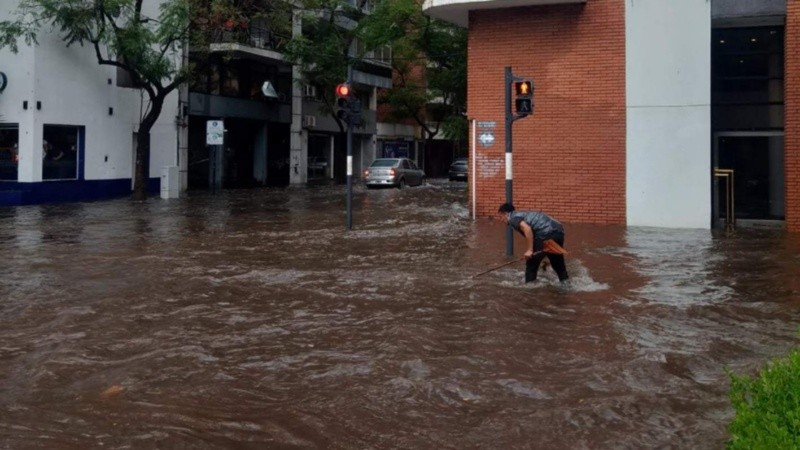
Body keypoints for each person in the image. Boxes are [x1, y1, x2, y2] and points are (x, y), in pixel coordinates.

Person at [497, 202, 569, 284]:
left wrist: (530, 250)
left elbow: (527, 229)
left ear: (505, 214)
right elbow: (557, 224)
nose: (500, 220)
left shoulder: (513, 218)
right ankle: (566, 285)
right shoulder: (525, 214)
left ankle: (529, 289)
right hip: (559, 232)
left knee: (531, 264)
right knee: (558, 264)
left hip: (544, 233)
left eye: (500, 216)